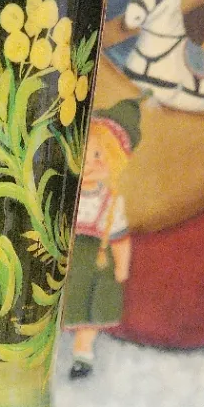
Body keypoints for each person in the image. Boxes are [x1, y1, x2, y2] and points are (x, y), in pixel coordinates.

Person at [62, 99, 141, 378]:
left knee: (89, 310)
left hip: (95, 262)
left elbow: (120, 238)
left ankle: (82, 352)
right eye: (83, 154)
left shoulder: (110, 202)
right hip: (65, 259)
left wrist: (121, 267)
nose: (89, 164)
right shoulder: (63, 194)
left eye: (98, 155)